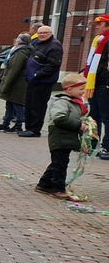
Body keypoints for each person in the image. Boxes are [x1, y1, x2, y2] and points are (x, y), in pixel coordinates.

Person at [35, 73, 89, 199]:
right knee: (60, 164)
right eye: (81, 89)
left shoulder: (74, 102)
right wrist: (78, 125)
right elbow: (59, 118)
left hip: (66, 137)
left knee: (57, 162)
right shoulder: (62, 101)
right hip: (59, 137)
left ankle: (43, 184)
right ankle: (58, 189)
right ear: (69, 89)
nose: (83, 92)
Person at [20, 25, 64, 138]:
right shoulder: (37, 43)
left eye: (45, 33)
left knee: (37, 106)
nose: (42, 35)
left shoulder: (55, 46)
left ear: (50, 33)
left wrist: (37, 74)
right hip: (32, 80)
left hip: (43, 81)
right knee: (29, 104)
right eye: (40, 33)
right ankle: (29, 128)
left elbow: (53, 65)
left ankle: (34, 130)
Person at [0, 32, 31, 133]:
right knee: (9, 103)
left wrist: (6, 84)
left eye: (18, 37)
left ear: (21, 41)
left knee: (17, 104)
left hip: (17, 83)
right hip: (15, 81)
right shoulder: (19, 51)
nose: (16, 39)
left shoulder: (21, 52)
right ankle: (6, 124)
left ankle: (18, 125)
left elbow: (14, 69)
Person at [82, 14, 109, 159]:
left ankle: (107, 146)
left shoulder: (107, 41)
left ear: (106, 25)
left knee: (107, 117)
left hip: (104, 84)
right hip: (94, 83)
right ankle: (92, 144)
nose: (96, 27)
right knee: (94, 116)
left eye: (99, 24)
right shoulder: (98, 41)